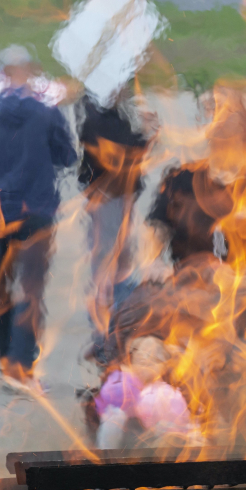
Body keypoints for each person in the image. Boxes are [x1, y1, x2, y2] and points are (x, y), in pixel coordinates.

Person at [0, 45, 78, 394]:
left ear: (4, 74)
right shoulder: (46, 113)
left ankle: (4, 361)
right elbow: (68, 156)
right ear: (29, 72)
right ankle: (21, 367)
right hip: (37, 211)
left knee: (0, 285)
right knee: (30, 290)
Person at [78, 93, 153, 366]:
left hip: (116, 199)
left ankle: (109, 337)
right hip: (110, 201)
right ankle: (106, 341)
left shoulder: (107, 115)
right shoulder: (102, 120)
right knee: (108, 270)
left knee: (116, 266)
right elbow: (124, 158)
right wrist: (146, 135)